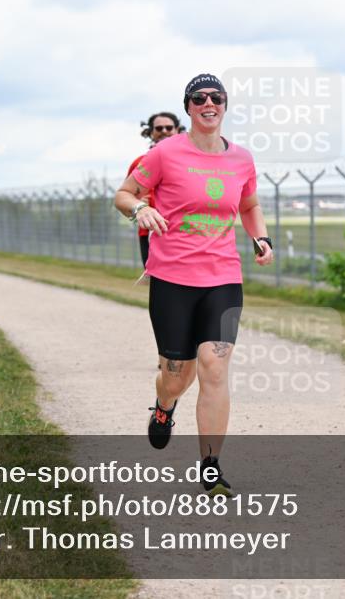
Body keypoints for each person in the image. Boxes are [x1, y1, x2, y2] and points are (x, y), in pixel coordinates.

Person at [115, 73, 274, 495]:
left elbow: (249, 203)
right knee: (175, 374)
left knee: (215, 367)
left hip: (223, 278)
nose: (209, 103)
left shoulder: (242, 158)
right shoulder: (166, 153)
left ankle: (210, 465)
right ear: (188, 107)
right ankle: (165, 407)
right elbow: (125, 193)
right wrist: (139, 212)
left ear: (224, 105)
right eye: (199, 98)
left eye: (216, 97)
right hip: (172, 279)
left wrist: (261, 236)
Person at [127, 112, 185, 267]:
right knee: (157, 283)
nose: (164, 131)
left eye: (169, 127)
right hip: (150, 232)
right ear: (151, 132)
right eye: (159, 128)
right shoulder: (140, 163)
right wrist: (137, 205)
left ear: (177, 130)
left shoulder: (190, 163)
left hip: (184, 231)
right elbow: (126, 198)